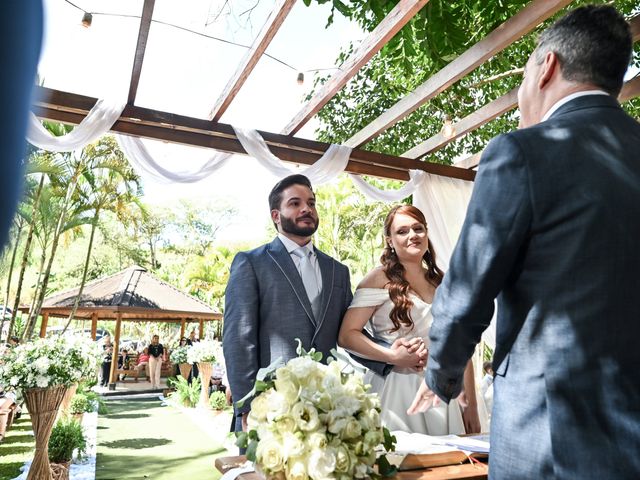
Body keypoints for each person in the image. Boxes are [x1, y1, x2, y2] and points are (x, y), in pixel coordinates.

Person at [408, 6, 640, 478]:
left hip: (551, 434)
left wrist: (442, 374)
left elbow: (469, 288)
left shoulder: (522, 151)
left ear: (547, 66)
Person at [224, 174, 397, 436]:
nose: (306, 209)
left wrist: (394, 356)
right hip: (270, 407)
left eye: (311, 203)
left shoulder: (338, 271)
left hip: (327, 410)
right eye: (295, 203)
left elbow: (349, 332)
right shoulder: (251, 263)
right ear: (276, 215)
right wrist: (247, 406)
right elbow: (238, 339)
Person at [339, 205, 480, 435]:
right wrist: (392, 356)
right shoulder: (378, 278)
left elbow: (462, 348)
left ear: (426, 233)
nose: (413, 235)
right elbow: (347, 335)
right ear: (390, 241)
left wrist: (470, 405)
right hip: (396, 390)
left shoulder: (444, 281)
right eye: (402, 231)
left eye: (418, 228)